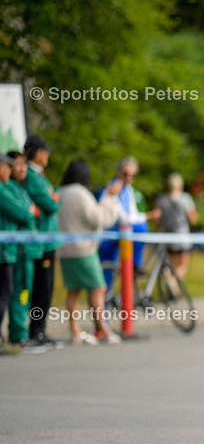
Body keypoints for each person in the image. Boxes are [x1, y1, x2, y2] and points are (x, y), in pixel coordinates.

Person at [56, 159, 122, 345]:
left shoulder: (62, 192)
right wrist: (109, 197)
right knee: (98, 287)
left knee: (74, 290)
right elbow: (98, 218)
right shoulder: (80, 194)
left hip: (65, 248)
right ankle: (104, 329)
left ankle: (75, 330)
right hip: (83, 249)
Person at [23, 134, 63, 351]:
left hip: (49, 240)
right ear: (39, 154)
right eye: (45, 152)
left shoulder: (40, 176)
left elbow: (57, 195)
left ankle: (41, 329)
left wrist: (54, 195)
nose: (47, 156)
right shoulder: (32, 177)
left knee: (46, 288)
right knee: (41, 288)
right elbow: (52, 204)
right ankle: (36, 330)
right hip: (42, 241)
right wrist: (53, 196)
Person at [98, 157, 151, 289]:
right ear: (118, 172)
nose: (129, 178)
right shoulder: (113, 188)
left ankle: (134, 266)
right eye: (126, 174)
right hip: (108, 233)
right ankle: (136, 264)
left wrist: (143, 217)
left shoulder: (128, 190)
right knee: (106, 278)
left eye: (133, 175)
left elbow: (131, 214)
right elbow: (123, 218)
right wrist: (147, 216)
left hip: (120, 231)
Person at [0, 153, 33, 355]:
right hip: (4, 251)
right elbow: (23, 212)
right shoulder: (2, 190)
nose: (9, 170)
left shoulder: (9, 187)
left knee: (7, 292)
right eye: (5, 166)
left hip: (9, 251)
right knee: (4, 293)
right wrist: (29, 210)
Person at [153, 172, 197, 281]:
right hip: (182, 236)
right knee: (183, 264)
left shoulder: (162, 199)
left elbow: (156, 218)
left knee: (171, 262)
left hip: (167, 236)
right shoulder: (186, 198)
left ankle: (168, 276)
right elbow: (193, 219)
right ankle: (173, 281)